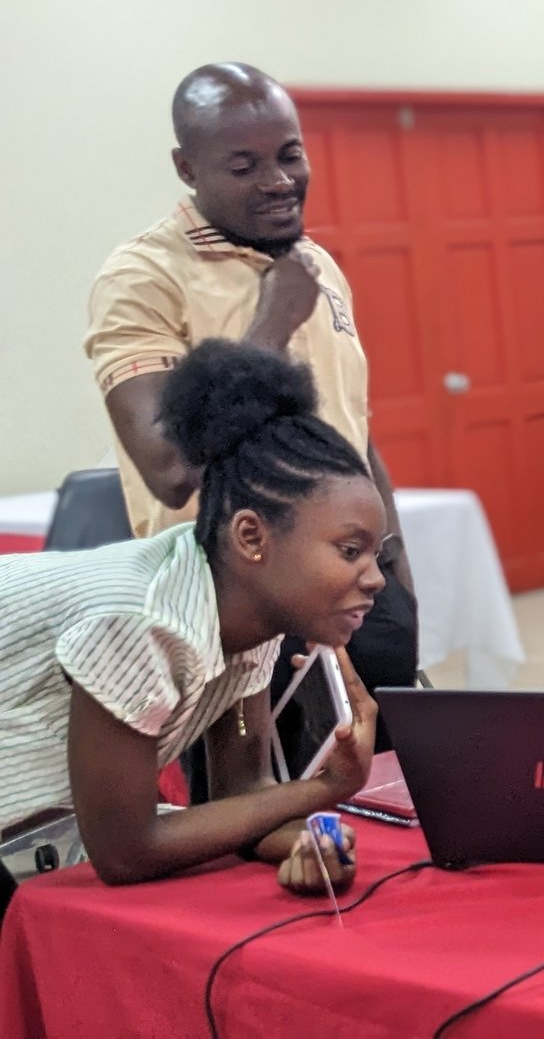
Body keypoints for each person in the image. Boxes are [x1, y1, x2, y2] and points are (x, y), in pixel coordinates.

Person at [83, 62, 416, 791]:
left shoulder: (315, 263)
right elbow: (169, 469)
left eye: (289, 154)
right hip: (239, 618)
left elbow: (349, 426)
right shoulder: (142, 278)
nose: (278, 180)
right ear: (186, 167)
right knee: (263, 833)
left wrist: (392, 563)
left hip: (360, 589)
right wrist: (271, 319)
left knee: (392, 806)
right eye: (244, 165)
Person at [0, 340, 382, 909]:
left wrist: (307, 837)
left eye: (377, 554)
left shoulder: (247, 615)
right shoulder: (144, 622)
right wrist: (322, 790)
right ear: (252, 538)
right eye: (350, 550)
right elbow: (126, 852)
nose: (375, 578)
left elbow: (242, 792)